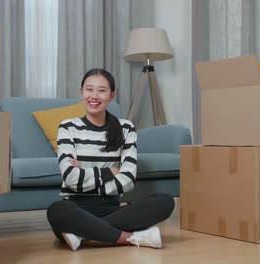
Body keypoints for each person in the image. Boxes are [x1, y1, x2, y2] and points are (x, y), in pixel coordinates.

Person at [46, 68, 175, 251]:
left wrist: (85, 175)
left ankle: (83, 234)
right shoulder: (68, 127)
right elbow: (70, 178)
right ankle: (130, 238)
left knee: (165, 201)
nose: (94, 96)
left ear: (112, 95)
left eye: (101, 90)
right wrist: (110, 172)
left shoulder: (126, 129)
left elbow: (128, 180)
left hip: (112, 208)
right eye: (89, 89)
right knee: (56, 211)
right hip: (75, 209)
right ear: (81, 92)